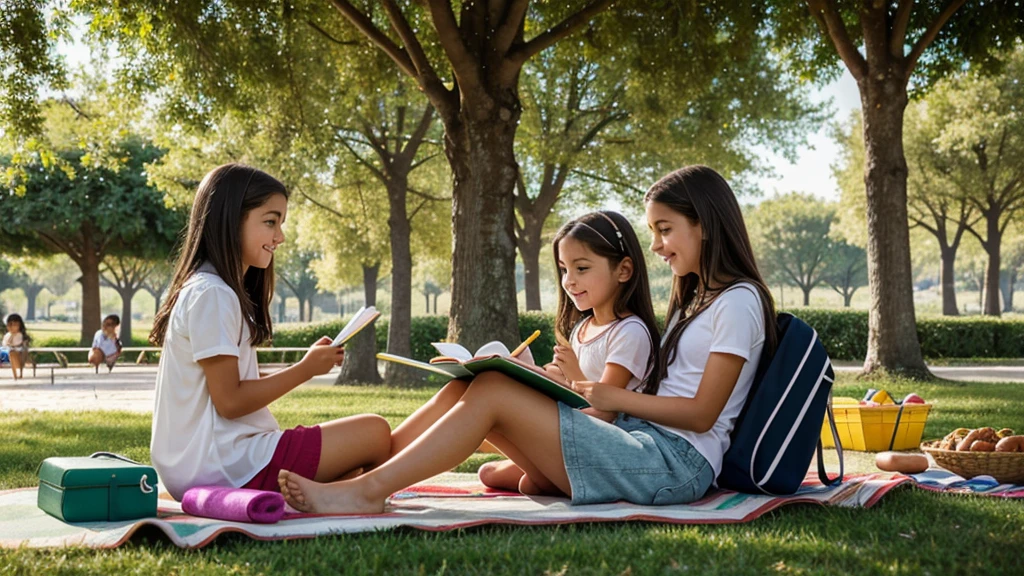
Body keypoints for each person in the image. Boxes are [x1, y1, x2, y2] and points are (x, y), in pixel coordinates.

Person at [278, 165, 778, 514]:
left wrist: (610, 396)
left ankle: (368, 492)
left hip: (674, 464)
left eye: (665, 229)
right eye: (653, 231)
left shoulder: (738, 301)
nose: (656, 246)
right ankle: (363, 474)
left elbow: (702, 414)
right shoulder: (701, 301)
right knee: (478, 383)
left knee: (494, 391)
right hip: (643, 443)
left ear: (706, 226)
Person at [149, 163, 391, 501]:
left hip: (209, 462)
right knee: (375, 433)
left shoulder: (210, 290)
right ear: (231, 221)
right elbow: (230, 402)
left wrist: (306, 363)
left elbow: (230, 385)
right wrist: (306, 370)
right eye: (270, 222)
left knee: (369, 444)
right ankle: (345, 493)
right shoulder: (213, 294)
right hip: (223, 466)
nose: (280, 237)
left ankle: (338, 487)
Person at [476, 211, 660, 494]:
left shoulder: (630, 332)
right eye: (563, 270)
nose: (569, 281)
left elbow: (605, 413)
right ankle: (548, 478)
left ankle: (554, 478)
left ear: (623, 270)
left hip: (605, 445)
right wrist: (528, 370)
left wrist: (572, 374)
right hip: (574, 430)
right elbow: (562, 383)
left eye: (581, 269)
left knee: (517, 477)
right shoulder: (583, 327)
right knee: (488, 473)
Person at [2, 313, 31, 379]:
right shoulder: (7, 335)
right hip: (6, 352)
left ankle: (18, 373)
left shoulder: (19, 335)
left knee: (12, 354)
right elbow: (4, 343)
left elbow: (18, 343)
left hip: (18, 352)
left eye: (15, 325)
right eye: (10, 325)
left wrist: (11, 345)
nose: (12, 327)